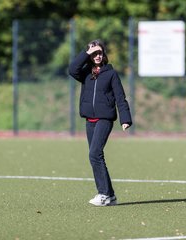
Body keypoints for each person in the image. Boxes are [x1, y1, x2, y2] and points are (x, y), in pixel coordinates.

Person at [69, 39, 133, 206]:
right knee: (96, 156)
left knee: (94, 154)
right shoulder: (85, 73)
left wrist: (125, 118)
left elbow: (120, 97)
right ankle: (110, 196)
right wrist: (87, 52)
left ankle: (103, 194)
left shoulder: (111, 74)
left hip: (105, 119)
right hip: (89, 120)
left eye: (100, 52)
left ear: (104, 54)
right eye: (94, 53)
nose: (97, 56)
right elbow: (72, 69)